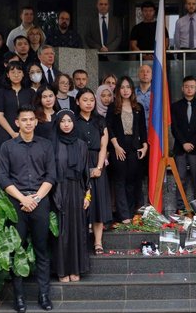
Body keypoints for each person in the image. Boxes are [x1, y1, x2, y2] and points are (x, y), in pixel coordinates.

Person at [0, 105, 56, 313]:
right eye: (24, 120)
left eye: (32, 119)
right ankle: (19, 298)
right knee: (17, 250)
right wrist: (23, 198)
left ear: (36, 121)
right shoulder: (7, 147)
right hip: (17, 203)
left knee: (42, 250)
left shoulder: (46, 145)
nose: (29, 123)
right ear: (17, 122)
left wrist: (36, 198)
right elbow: (3, 178)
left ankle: (44, 295)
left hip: (40, 202)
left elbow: (51, 175)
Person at [52, 109, 90, 283]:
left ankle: (76, 268)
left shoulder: (81, 144)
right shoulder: (52, 144)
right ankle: (62, 270)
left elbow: (85, 174)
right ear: (58, 123)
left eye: (69, 121)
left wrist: (87, 196)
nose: (66, 124)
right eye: (62, 121)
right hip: (58, 190)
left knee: (77, 230)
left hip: (77, 190)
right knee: (62, 231)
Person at [75, 88, 112, 255]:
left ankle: (98, 242)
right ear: (77, 102)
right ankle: (81, 242)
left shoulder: (100, 120)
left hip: (97, 162)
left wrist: (98, 167)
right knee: (81, 204)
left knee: (98, 204)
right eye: (85, 100)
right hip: (78, 163)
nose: (89, 103)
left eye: (91, 100)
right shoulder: (73, 121)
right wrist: (81, 169)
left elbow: (104, 145)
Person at [107, 76, 148, 222]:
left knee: (132, 181)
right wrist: (116, 146)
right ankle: (123, 215)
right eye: (122, 87)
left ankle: (132, 213)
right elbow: (109, 128)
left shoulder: (138, 107)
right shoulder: (113, 107)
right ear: (118, 90)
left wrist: (145, 146)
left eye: (128, 87)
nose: (125, 90)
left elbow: (143, 129)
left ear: (132, 89)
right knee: (120, 181)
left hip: (134, 147)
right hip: (118, 146)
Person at [171, 76, 196, 211]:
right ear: (182, 88)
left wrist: (192, 143)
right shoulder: (175, 106)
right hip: (180, 148)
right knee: (180, 179)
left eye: (192, 86)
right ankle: (180, 208)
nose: (189, 89)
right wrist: (183, 143)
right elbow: (174, 128)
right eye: (186, 86)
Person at [0, 61, 35, 161]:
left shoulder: (30, 92)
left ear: (23, 74)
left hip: (26, 132)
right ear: (7, 75)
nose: (16, 75)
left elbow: (34, 113)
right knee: (4, 163)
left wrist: (23, 131)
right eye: (12, 72)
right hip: (6, 132)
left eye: (19, 72)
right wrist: (12, 133)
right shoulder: (2, 92)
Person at [135, 64, 152, 128]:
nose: (145, 74)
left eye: (148, 71)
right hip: (137, 129)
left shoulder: (158, 94)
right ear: (138, 75)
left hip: (154, 131)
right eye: (142, 71)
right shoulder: (132, 93)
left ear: (152, 75)